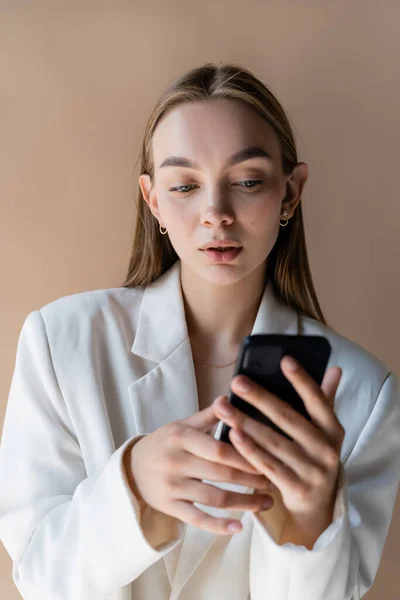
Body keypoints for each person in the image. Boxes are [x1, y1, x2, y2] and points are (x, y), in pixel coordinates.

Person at [0, 62, 399, 600]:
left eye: (248, 181)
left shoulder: (363, 393)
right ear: (153, 200)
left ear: (290, 192)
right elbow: (39, 579)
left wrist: (308, 527)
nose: (216, 213)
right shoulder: (61, 343)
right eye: (185, 185)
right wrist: (133, 487)